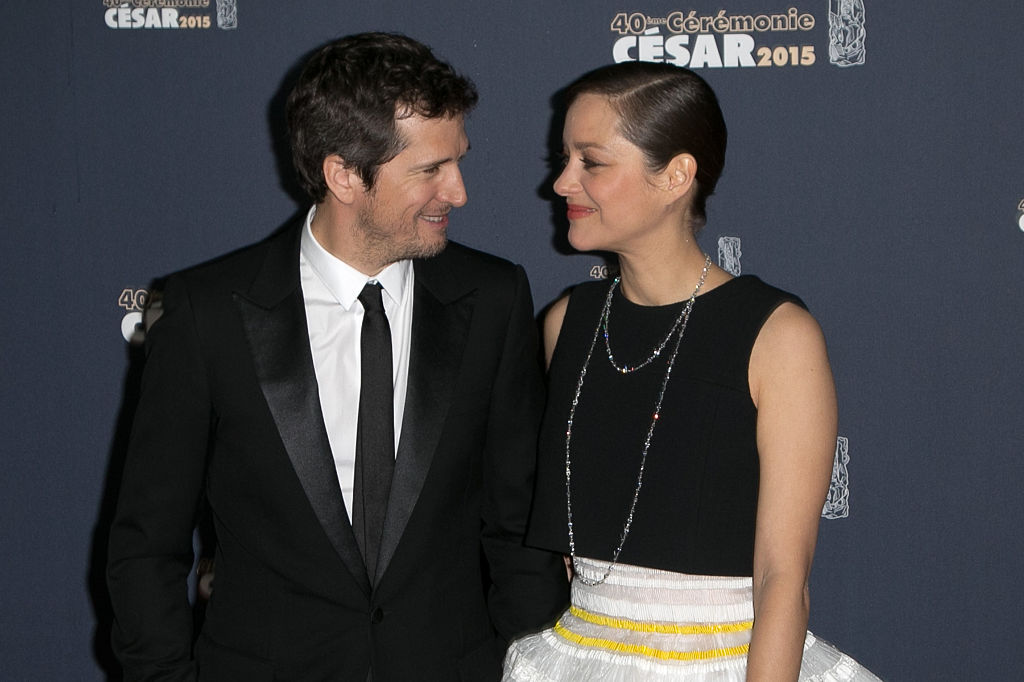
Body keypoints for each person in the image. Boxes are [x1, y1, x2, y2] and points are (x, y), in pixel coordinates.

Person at [107, 32, 568, 681]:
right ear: (344, 174)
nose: (458, 192)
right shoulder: (208, 312)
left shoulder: (492, 298)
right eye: (430, 169)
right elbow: (146, 545)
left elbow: (519, 530)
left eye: (457, 160)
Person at [503, 62, 880, 680]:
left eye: (591, 161)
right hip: (577, 656)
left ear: (677, 175)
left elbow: (782, 577)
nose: (563, 182)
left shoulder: (777, 335)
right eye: (563, 158)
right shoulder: (566, 323)